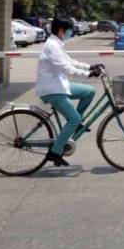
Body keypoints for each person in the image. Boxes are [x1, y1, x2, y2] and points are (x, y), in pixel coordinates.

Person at [35, 18, 103, 166]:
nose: (70, 33)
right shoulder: (52, 46)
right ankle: (55, 152)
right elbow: (67, 69)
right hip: (51, 89)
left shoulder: (57, 44)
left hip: (60, 85)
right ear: (61, 30)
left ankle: (76, 123)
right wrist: (88, 74)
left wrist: (90, 67)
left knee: (89, 92)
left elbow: (70, 62)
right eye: (68, 31)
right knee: (74, 119)